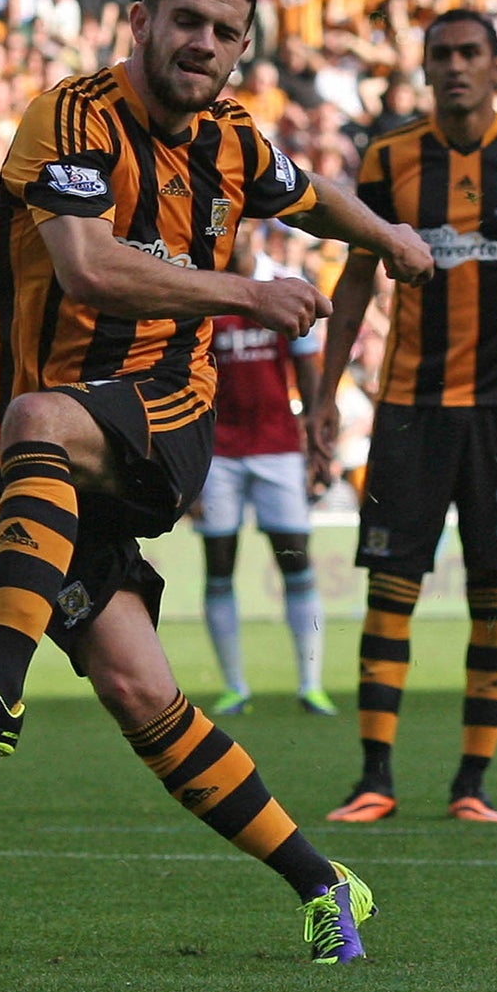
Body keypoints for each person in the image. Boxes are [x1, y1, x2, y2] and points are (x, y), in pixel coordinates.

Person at [0, 0, 431, 961]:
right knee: (141, 693)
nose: (204, 45)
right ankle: (325, 886)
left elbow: (309, 196)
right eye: (187, 22)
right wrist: (246, 291)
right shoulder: (74, 116)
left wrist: (386, 239)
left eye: (225, 33)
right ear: (141, 20)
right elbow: (84, 268)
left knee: (35, 420)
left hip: (162, 414)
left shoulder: (234, 139)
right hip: (72, 440)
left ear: (241, 49)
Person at [314, 10, 497, 825]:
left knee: (496, 596)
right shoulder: (389, 157)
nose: (455, 66)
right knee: (390, 591)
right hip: (410, 406)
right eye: (441, 54)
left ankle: (472, 785)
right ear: (426, 66)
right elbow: (356, 279)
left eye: (470, 52)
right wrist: (328, 395)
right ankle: (375, 778)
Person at [195, 228, 331, 718]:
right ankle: (235, 686)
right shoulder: (201, 290)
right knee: (219, 564)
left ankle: (310, 684)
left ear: (252, 231)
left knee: (296, 563)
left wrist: (316, 436)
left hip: (277, 448)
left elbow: (308, 368)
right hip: (218, 453)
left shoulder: (282, 287)